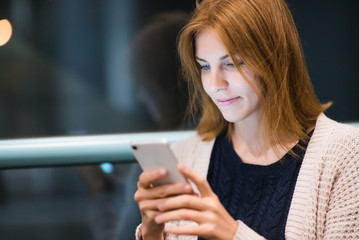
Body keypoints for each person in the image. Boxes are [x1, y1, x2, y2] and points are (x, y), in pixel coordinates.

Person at [134, 0, 359, 239]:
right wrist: (152, 232)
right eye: (205, 66)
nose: (214, 84)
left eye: (231, 63)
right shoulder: (184, 158)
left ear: (274, 59)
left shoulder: (344, 156)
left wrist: (233, 235)